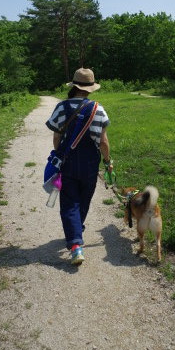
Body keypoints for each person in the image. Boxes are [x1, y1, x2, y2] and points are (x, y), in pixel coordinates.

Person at [45, 67, 113, 265]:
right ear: (91, 88)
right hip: (91, 162)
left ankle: (75, 244)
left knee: (69, 202)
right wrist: (108, 162)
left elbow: (56, 135)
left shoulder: (61, 107)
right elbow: (104, 142)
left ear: (74, 86)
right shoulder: (98, 109)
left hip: (68, 161)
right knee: (84, 199)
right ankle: (76, 232)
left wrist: (59, 155)